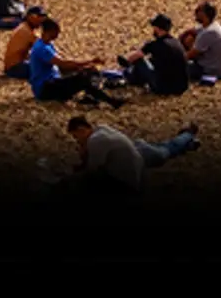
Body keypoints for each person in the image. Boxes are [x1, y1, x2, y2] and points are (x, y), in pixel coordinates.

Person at [60, 116, 200, 195]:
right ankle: (189, 142)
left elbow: (92, 170)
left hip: (133, 173)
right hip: (137, 148)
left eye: (76, 136)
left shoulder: (96, 141)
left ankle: (187, 135)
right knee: (165, 147)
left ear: (82, 130)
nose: (77, 140)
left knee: (166, 151)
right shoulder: (101, 129)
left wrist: (83, 154)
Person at [28, 18, 124, 107]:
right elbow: (63, 63)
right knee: (82, 80)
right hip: (44, 89)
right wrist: (89, 62)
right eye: (56, 32)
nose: (58, 34)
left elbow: (62, 66)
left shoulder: (46, 44)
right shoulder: (42, 49)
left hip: (52, 81)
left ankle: (91, 96)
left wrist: (82, 68)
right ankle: (111, 101)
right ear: (50, 31)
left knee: (85, 74)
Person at [120, 14, 189, 96]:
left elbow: (134, 57)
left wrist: (126, 62)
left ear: (158, 28)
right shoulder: (176, 43)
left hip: (163, 88)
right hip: (181, 87)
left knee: (139, 61)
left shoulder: (155, 44)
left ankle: (130, 79)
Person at [179, 1, 221, 82]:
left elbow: (189, 55)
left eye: (198, 10)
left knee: (177, 68)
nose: (195, 12)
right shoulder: (212, 26)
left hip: (216, 71)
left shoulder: (209, 33)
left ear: (204, 14)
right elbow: (190, 32)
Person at [3, 6, 47, 79]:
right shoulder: (27, 32)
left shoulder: (23, 27)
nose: (41, 21)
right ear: (30, 17)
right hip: (15, 68)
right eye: (39, 17)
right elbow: (43, 48)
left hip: (11, 67)